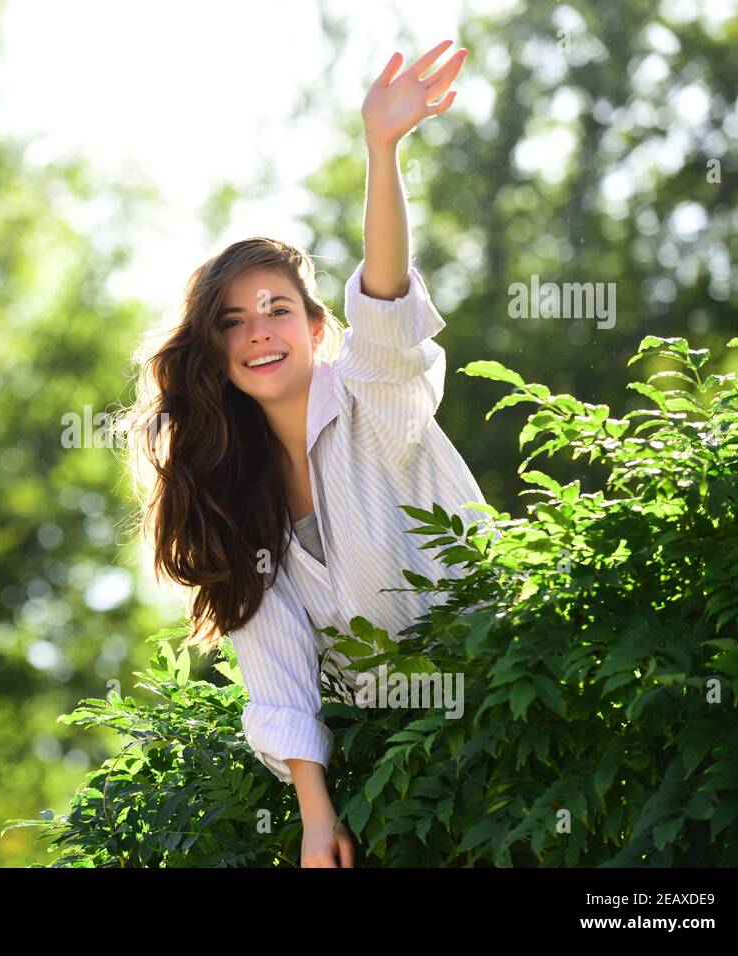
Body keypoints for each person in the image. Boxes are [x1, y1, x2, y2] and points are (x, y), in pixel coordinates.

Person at [118, 41, 490, 867]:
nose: (258, 333)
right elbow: (278, 671)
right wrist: (317, 818)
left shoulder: (374, 396)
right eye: (233, 321)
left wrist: (382, 151)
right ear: (214, 352)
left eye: (277, 310)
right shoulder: (230, 494)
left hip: (511, 692)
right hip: (402, 761)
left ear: (317, 330)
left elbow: (388, 309)